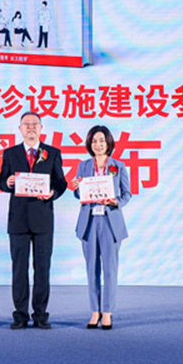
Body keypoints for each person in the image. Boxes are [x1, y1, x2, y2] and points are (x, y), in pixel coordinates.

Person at [0, 112, 67, 329]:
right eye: (26, 124)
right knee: (19, 270)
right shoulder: (10, 153)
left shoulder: (52, 153)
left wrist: (52, 193)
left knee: (42, 269)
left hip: (43, 220)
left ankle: (40, 315)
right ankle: (20, 315)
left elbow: (61, 183)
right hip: (18, 220)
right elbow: (0, 181)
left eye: (34, 124)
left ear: (41, 128)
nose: (30, 127)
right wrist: (8, 182)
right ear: (20, 128)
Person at [71, 125, 131, 330]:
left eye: (102, 141)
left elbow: (127, 194)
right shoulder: (83, 165)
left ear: (108, 143)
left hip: (110, 221)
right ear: (90, 144)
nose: (98, 144)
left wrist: (116, 202)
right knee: (91, 269)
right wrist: (76, 188)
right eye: (94, 141)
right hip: (89, 222)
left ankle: (107, 312)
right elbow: (79, 195)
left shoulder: (118, 166)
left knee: (110, 270)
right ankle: (94, 311)